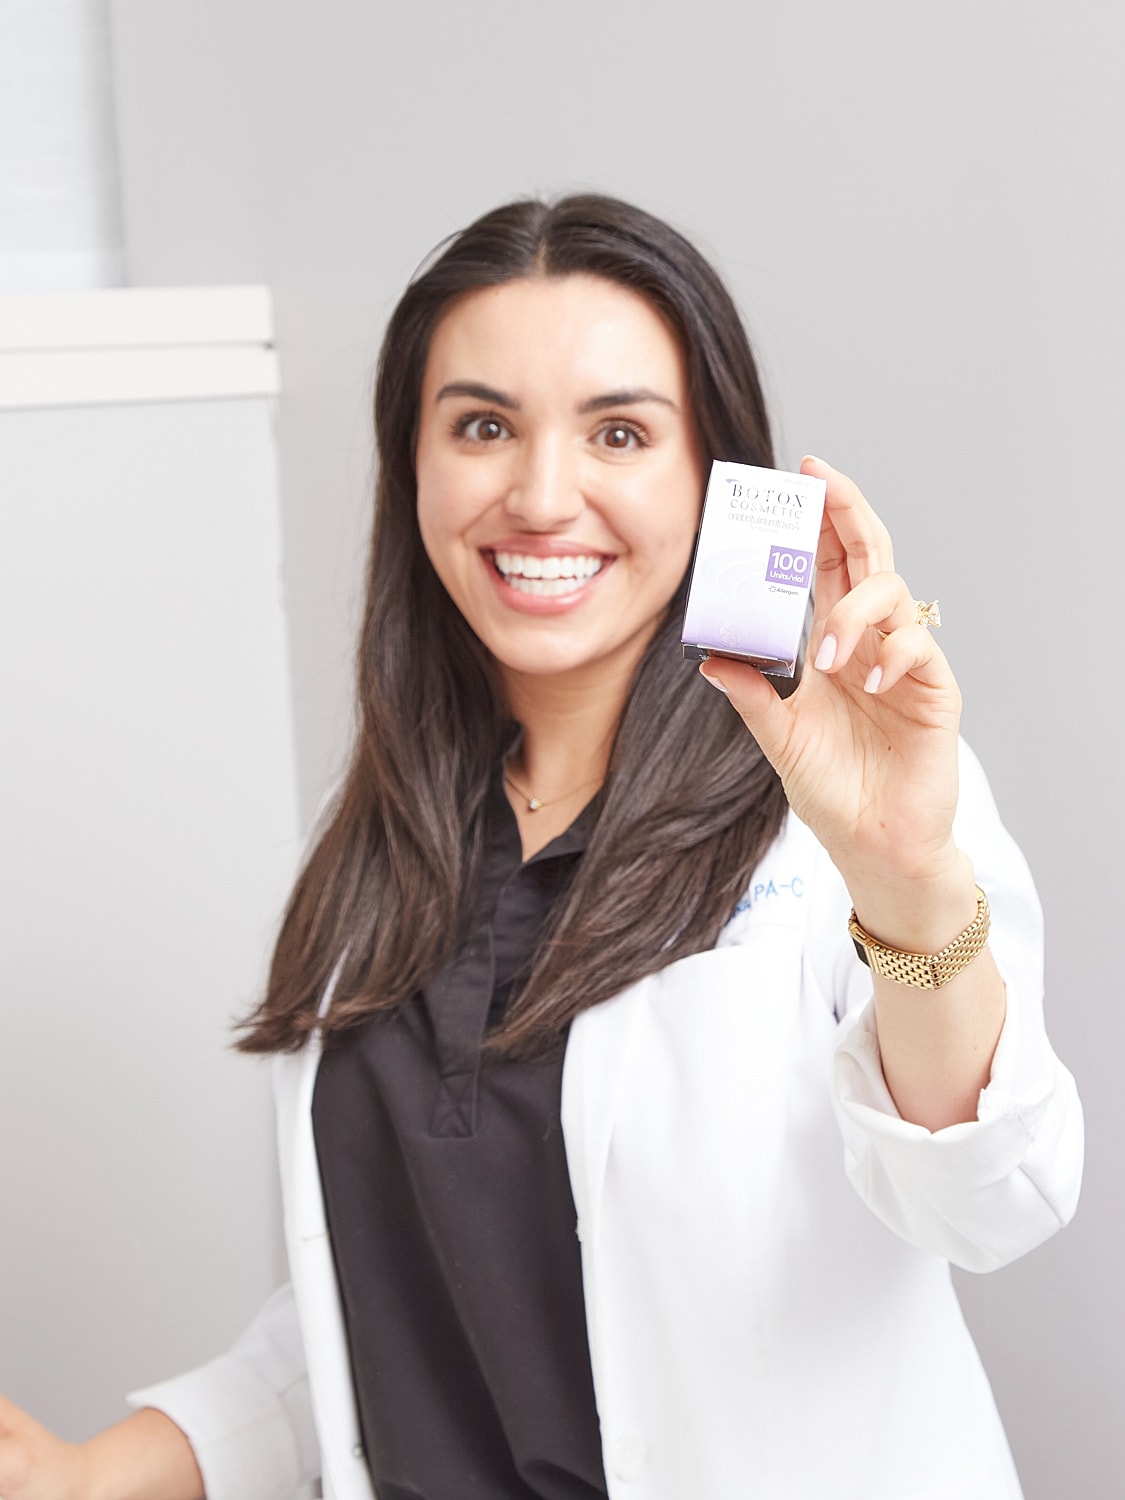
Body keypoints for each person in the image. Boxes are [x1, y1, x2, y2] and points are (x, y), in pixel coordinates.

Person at [0, 195, 1083, 1500]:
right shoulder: (381, 855)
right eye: (481, 425)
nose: (540, 494)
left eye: (618, 431)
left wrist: (904, 877)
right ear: (414, 464)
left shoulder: (843, 822)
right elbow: (398, 1305)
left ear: (716, 478)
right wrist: (84, 1473)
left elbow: (988, 1200)